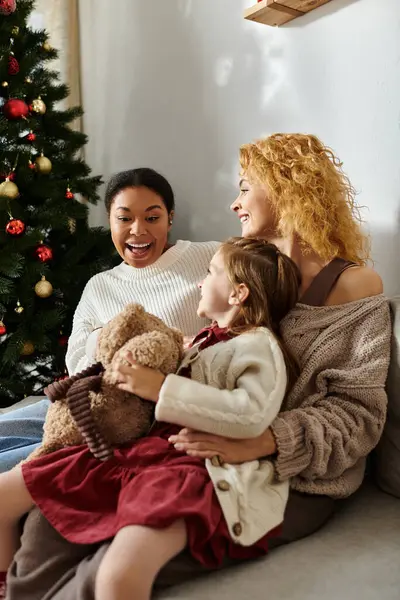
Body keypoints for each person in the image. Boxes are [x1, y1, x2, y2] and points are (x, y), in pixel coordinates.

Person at [7, 134, 391, 600]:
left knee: (110, 567)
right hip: (190, 440)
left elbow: (359, 415)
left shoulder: (351, 286)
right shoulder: (243, 274)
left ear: (286, 186)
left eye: (246, 187)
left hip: (285, 473)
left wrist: (265, 441)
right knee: (47, 519)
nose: (235, 202)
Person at [0, 238, 300, 600]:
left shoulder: (258, 345)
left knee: (117, 576)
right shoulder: (205, 341)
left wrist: (162, 389)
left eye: (210, 273)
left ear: (238, 294)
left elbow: (251, 412)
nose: (200, 283)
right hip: (141, 450)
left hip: (182, 466)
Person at [0, 167, 219, 473]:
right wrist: (105, 338)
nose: (138, 230)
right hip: (86, 395)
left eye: (152, 218)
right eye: (125, 218)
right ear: (110, 220)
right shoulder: (101, 285)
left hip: (137, 414)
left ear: (170, 218)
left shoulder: (210, 257)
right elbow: (75, 357)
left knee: (13, 463)